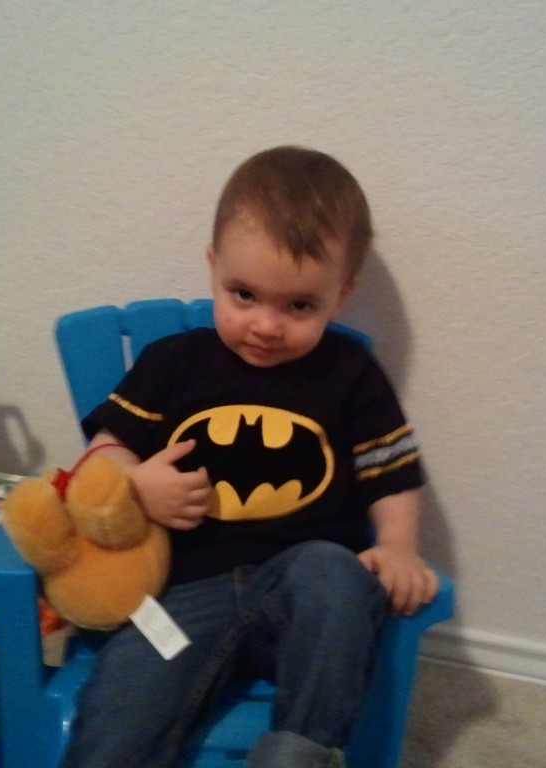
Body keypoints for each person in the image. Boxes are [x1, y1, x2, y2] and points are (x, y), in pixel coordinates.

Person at [62, 145, 438, 768]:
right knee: (121, 702)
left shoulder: (349, 374)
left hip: (304, 589)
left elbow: (390, 473)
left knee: (336, 574)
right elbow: (104, 455)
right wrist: (137, 484)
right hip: (180, 592)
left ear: (341, 295)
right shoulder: (173, 364)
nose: (266, 325)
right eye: (243, 295)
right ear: (213, 267)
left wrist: (398, 545)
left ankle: (298, 755)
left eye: (299, 306)